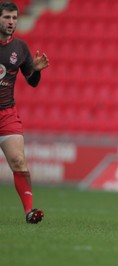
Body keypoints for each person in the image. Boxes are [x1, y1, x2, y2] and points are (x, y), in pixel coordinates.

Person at [0, 1, 49, 224]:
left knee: (19, 161)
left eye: (14, 18)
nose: (11, 22)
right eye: (6, 18)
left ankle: (29, 211)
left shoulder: (20, 47)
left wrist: (36, 71)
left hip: (7, 113)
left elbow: (32, 81)